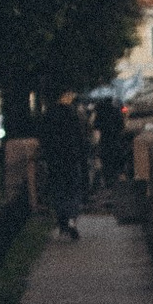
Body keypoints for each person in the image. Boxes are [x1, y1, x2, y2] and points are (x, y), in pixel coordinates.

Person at [41, 94, 88, 241]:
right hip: (72, 158)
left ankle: (62, 222)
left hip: (54, 159)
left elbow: (44, 138)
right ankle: (72, 219)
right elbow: (80, 138)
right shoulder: (72, 114)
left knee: (58, 190)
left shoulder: (48, 115)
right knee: (73, 189)